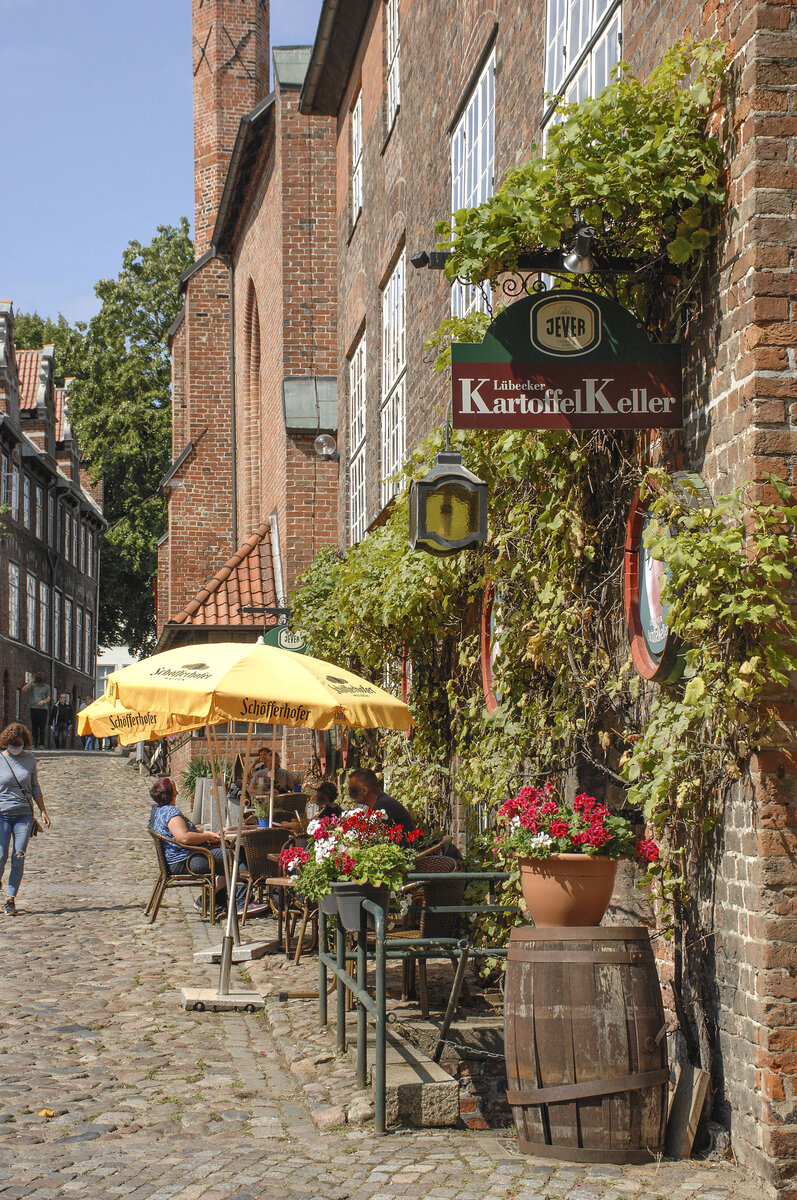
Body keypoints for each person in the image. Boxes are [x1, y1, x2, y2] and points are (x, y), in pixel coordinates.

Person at [148, 777, 245, 915]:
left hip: (186, 856)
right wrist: (206, 836)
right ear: (170, 793)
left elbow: (186, 836)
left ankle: (213, 901)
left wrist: (209, 835)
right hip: (186, 860)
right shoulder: (170, 812)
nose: (177, 792)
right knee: (234, 856)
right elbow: (184, 837)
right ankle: (242, 902)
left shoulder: (159, 811)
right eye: (174, 789)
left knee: (226, 857)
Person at [0, 723, 51, 916]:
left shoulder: (29, 759)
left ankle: (10, 899)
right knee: (1, 855)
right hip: (2, 814)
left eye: (19, 744)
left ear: (25, 743)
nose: (15, 747)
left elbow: (35, 787)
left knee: (18, 856)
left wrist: (43, 811)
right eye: (12, 744)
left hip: (23, 815)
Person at [346, 768, 420, 839]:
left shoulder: (383, 806)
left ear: (365, 790)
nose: (351, 796)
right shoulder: (382, 802)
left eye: (353, 791)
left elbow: (378, 840)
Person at [21, 674, 52, 749]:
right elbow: (24, 689)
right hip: (33, 708)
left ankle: (41, 744)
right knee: (34, 726)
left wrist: (43, 701)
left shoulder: (46, 687)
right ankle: (34, 743)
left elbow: (48, 698)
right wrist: (30, 682)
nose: (39, 684)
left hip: (43, 709)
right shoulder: (33, 686)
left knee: (42, 727)